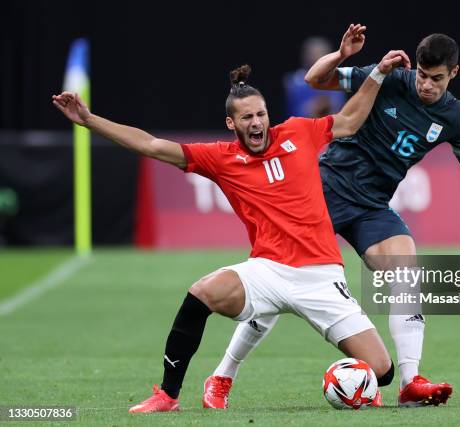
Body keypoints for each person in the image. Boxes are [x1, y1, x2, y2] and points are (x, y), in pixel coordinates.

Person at [204, 24, 460, 408]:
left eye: (436, 79)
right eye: (422, 75)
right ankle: (222, 376)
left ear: (453, 74)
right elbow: (315, 78)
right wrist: (342, 55)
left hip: (371, 206)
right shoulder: (392, 78)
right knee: (280, 280)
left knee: (406, 268)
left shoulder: (456, 117)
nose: (425, 85)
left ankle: (410, 382)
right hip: (323, 191)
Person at [52, 50, 409, 413]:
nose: (256, 123)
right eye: (247, 117)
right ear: (231, 123)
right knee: (201, 293)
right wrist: (89, 120)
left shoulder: (299, 132)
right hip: (267, 270)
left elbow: (348, 120)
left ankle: (348, 381)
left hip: (321, 275)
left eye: (261, 114)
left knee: (381, 371)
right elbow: (151, 145)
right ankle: (168, 395)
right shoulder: (220, 158)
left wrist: (378, 72)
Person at [283, 36, 346, 118]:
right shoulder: (292, 81)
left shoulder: (338, 80)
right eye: (311, 53)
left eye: (320, 53)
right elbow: (294, 111)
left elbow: (338, 110)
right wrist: (314, 107)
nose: (315, 57)